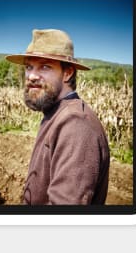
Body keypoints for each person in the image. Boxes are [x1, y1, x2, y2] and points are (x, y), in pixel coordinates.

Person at [6, 29, 110, 205]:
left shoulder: (76, 124)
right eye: (29, 67)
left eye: (45, 66)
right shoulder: (56, 113)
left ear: (68, 73)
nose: (31, 76)